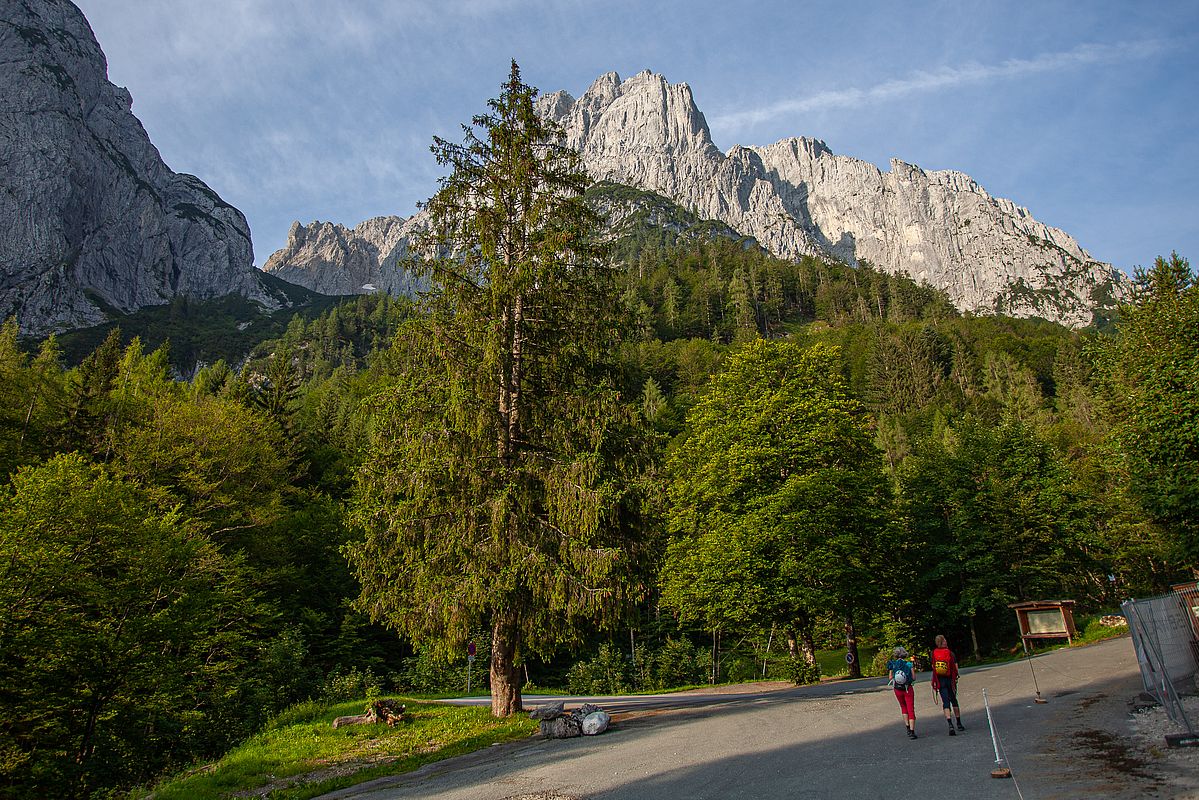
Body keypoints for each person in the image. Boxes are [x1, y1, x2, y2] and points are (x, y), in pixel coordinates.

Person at [930, 634, 965, 734]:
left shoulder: (933, 653)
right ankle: (959, 723)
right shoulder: (950, 653)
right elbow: (955, 668)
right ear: (943, 642)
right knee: (954, 700)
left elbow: (933, 667)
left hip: (940, 681)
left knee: (945, 702)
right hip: (950, 680)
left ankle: (950, 724)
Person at [886, 646, 917, 739]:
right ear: (904, 654)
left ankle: (907, 727)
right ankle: (912, 731)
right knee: (910, 708)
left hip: (897, 689)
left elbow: (890, 678)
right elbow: (914, 678)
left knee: (903, 707)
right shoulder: (908, 664)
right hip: (908, 689)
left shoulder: (893, 664)